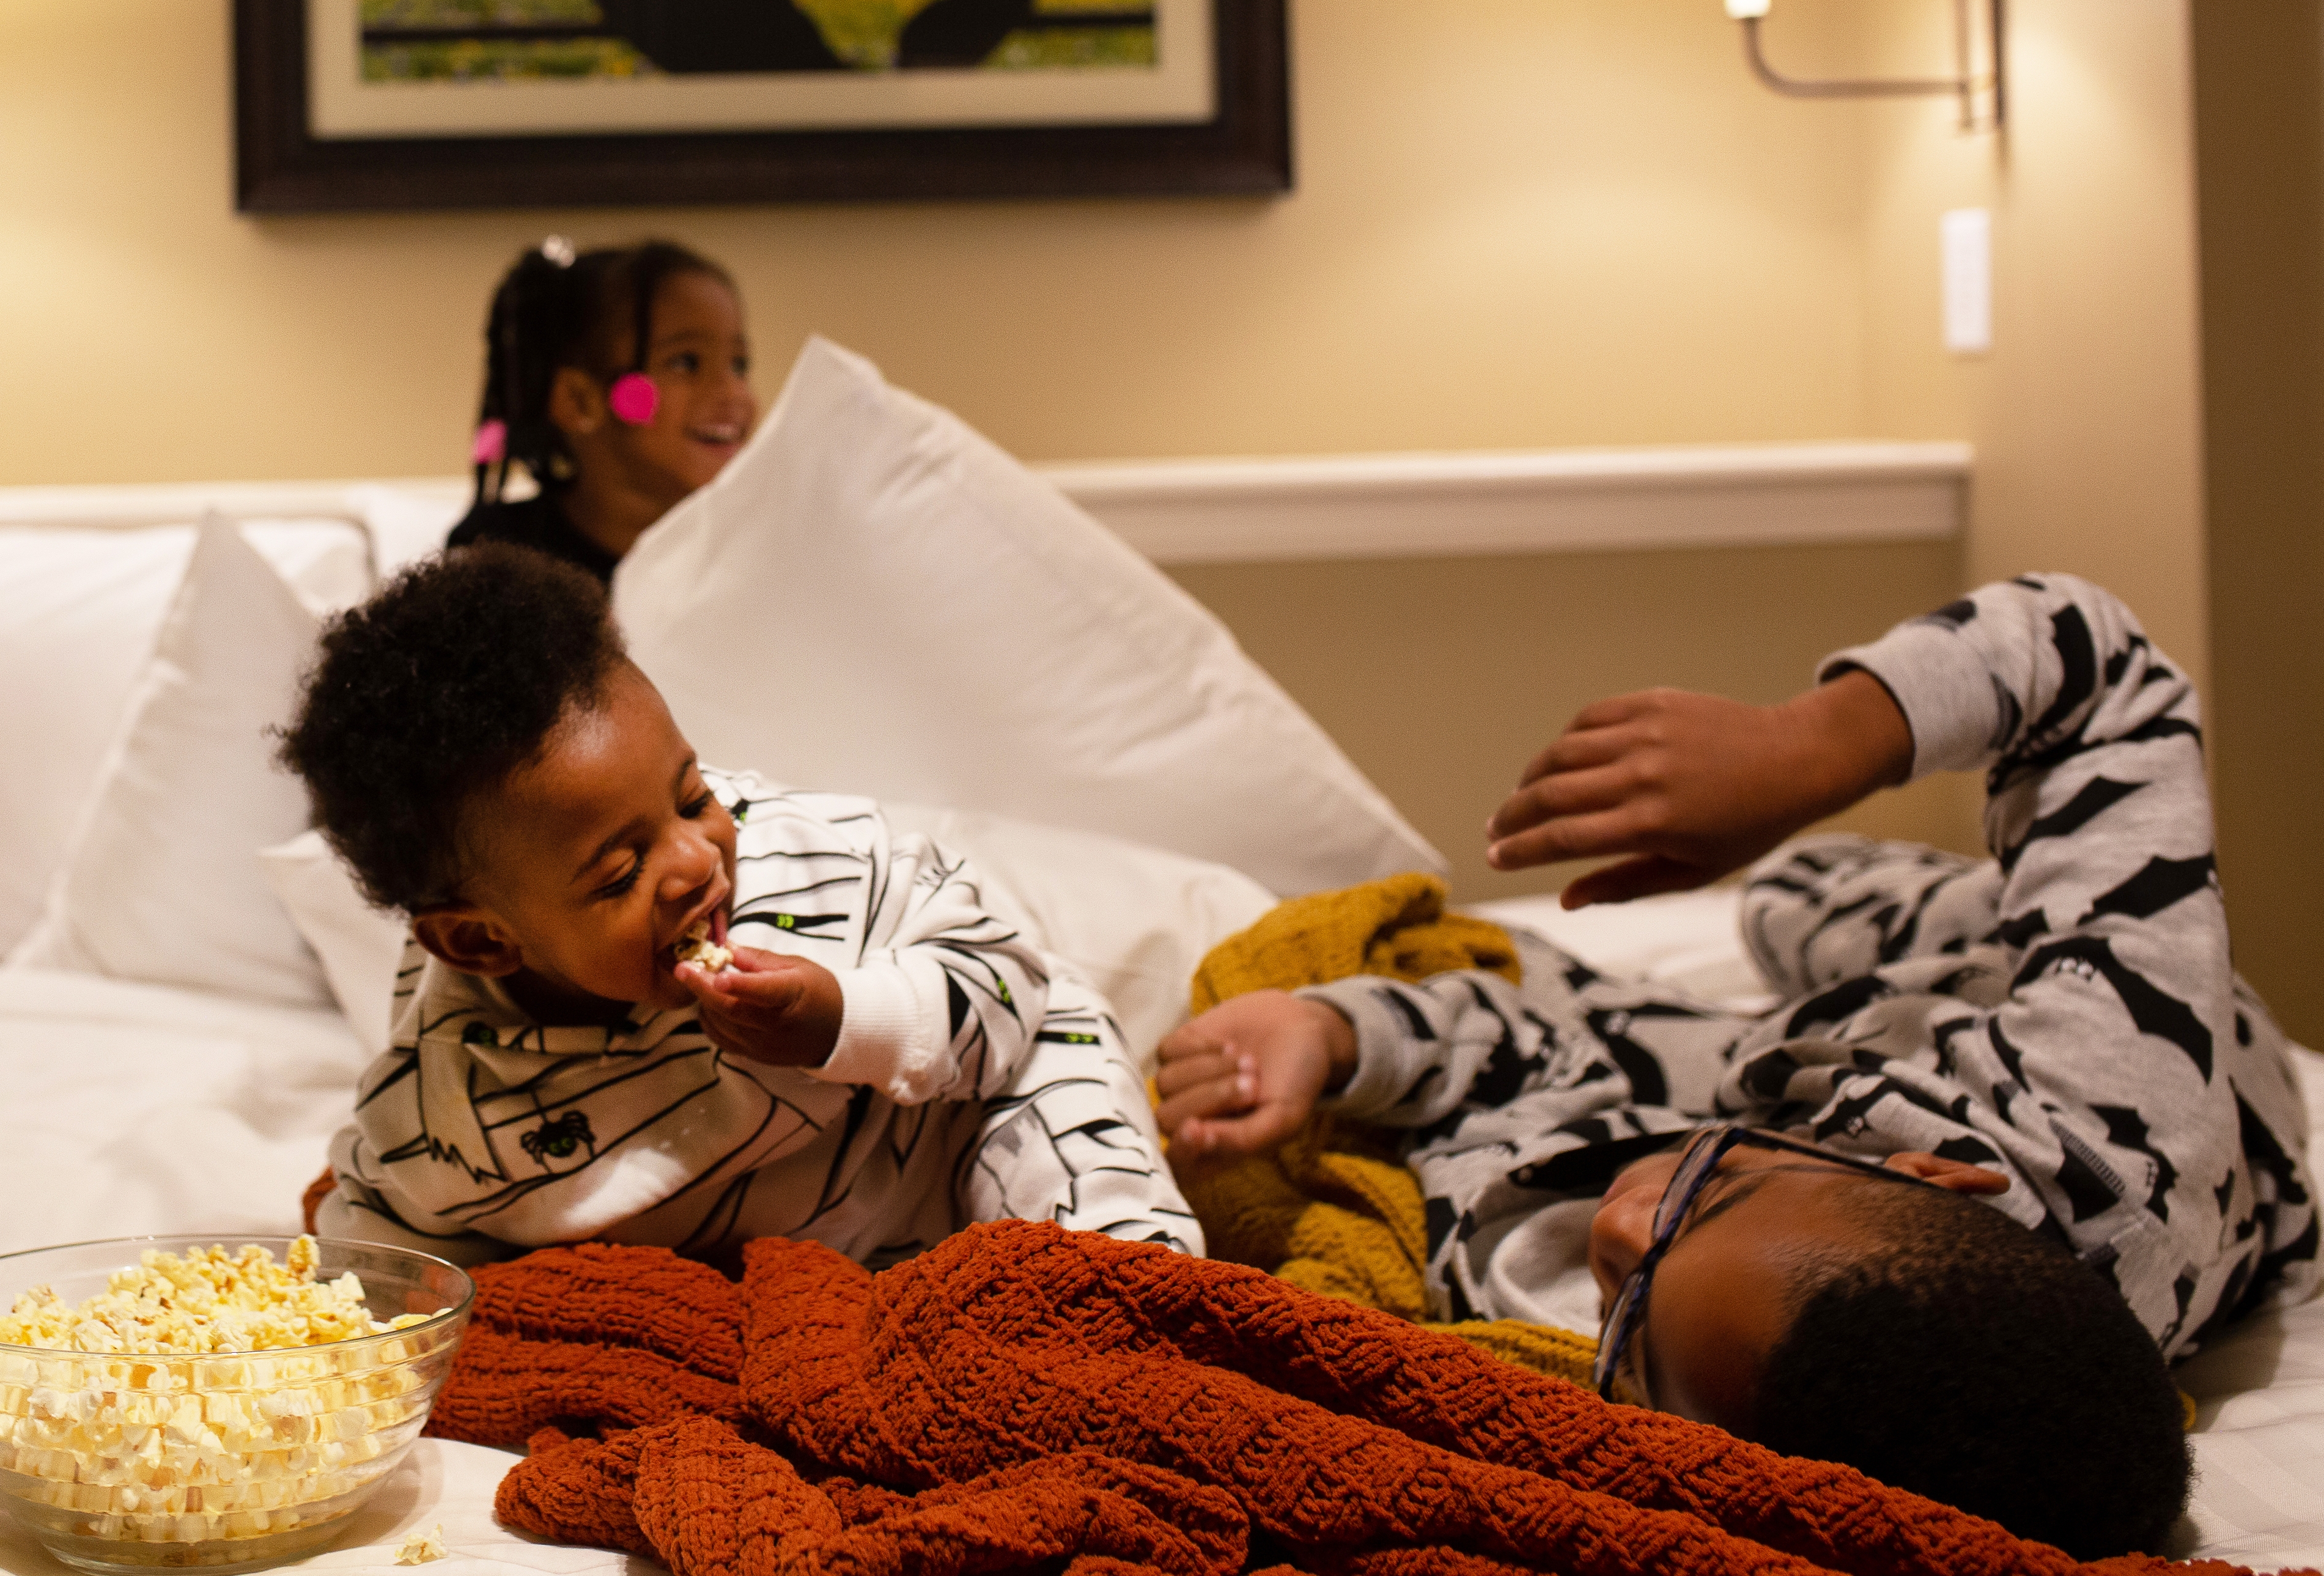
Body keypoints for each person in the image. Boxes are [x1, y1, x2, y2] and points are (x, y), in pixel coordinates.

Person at [1153, 575, 2314, 1559]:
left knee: (1619, 1064)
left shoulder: (1782, 1309)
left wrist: (1346, 1035)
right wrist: (1806, 747)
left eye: (1632, 1323)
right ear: (1934, 1170)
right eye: (1716, 1192)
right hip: (2069, 1013)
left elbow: (1570, 1070)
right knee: (1801, 902)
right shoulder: (2109, 1092)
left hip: (1883, 1121)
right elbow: (2099, 674)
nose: (1618, 1227)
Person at [282, 542, 1198, 1265]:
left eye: (690, 798)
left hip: (961, 1114)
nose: (693, 860)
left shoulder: (800, 862)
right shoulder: (454, 1101)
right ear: (482, 943)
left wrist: (845, 1019)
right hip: (820, 1257)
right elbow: (387, 1234)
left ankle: (1132, 1336)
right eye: (618, 873)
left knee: (1069, 1130)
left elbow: (1009, 981)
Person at [447, 236, 753, 581]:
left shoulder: (757, 552)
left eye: (739, 365)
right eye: (685, 362)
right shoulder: (497, 562)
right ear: (579, 401)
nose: (733, 394)